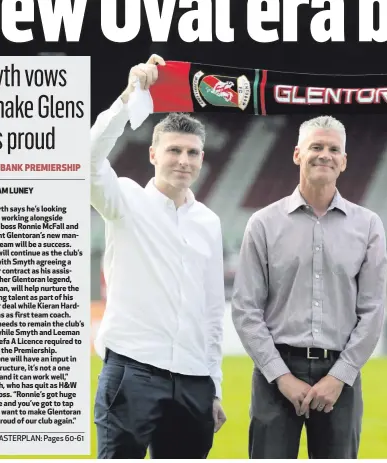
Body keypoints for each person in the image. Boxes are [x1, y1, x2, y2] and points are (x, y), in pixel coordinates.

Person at [90, 54, 227, 459]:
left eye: (192, 152)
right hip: (132, 371)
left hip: (193, 381)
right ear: (153, 155)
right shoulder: (125, 200)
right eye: (173, 151)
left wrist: (213, 386)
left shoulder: (209, 222)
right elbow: (85, 162)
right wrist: (127, 98)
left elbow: (211, 312)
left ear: (202, 159)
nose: (183, 160)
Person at [231, 116, 387, 459]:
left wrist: (340, 377)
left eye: (334, 149)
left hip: (340, 378)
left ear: (344, 161)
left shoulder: (368, 225)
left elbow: (372, 310)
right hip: (276, 376)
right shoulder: (263, 223)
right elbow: (245, 308)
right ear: (297, 154)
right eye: (316, 147)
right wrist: (281, 376)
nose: (325, 155)